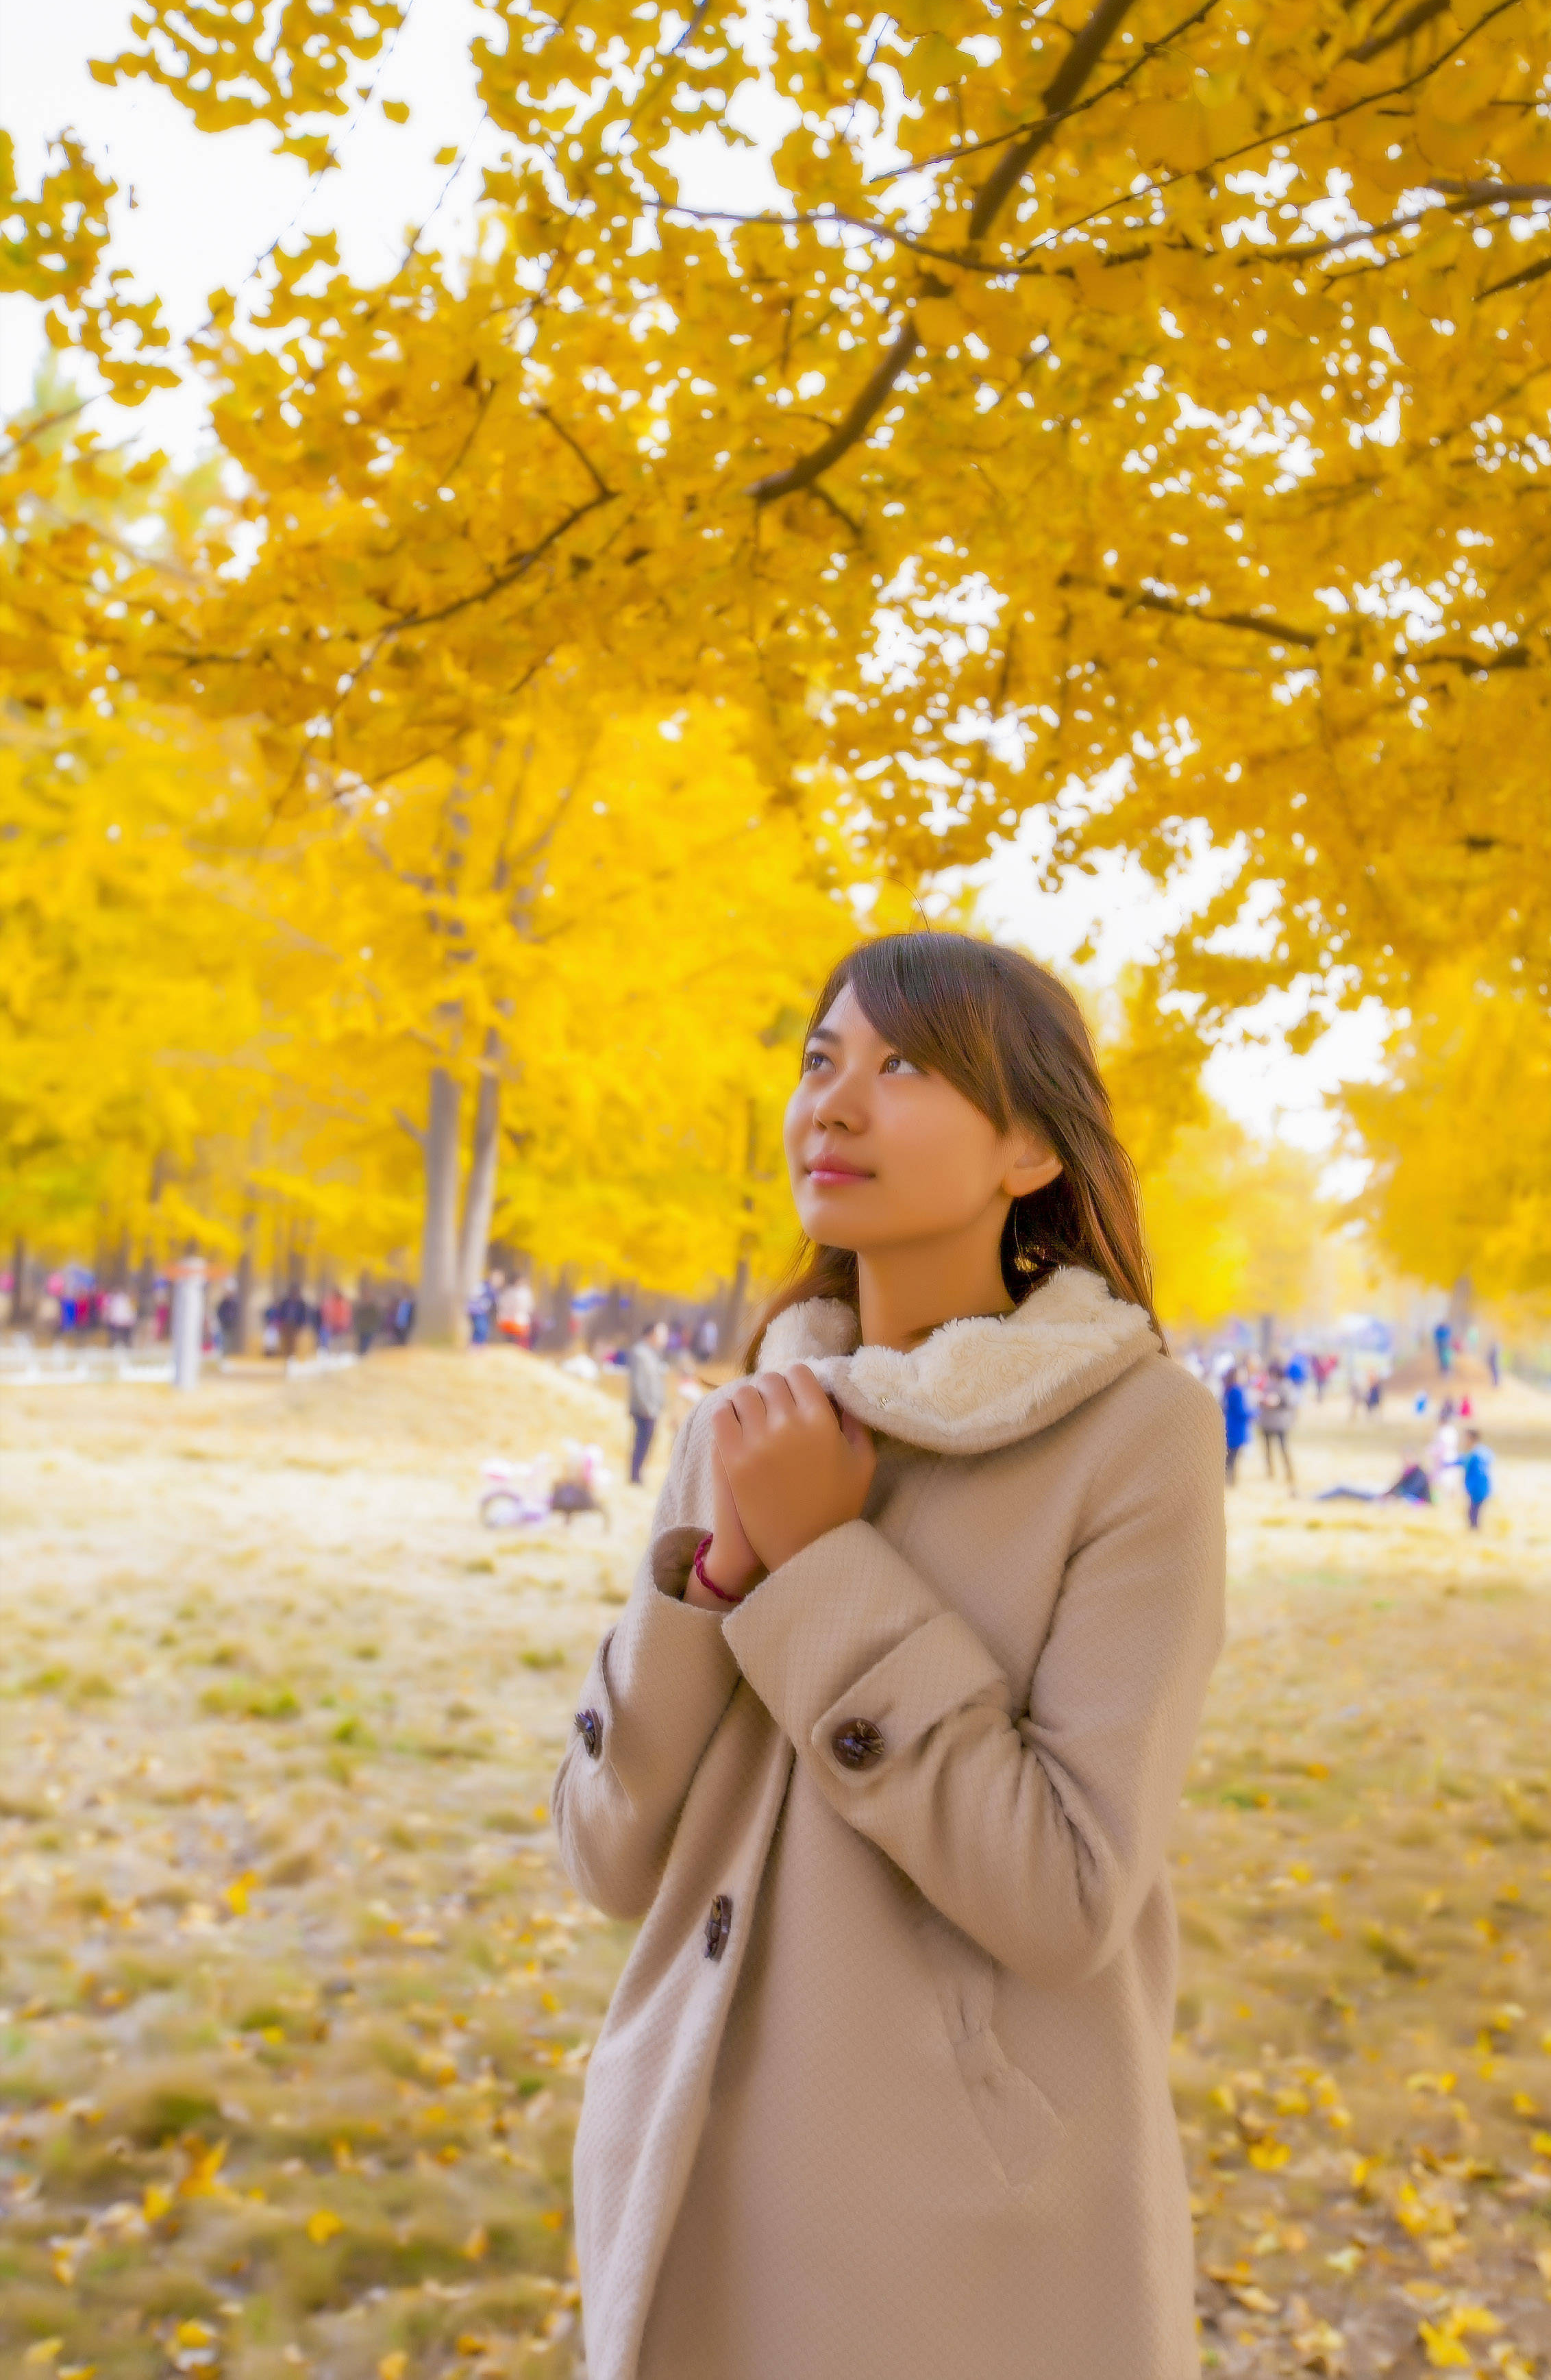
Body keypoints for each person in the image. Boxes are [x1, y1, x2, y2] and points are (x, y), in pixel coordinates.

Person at [553, 930, 1226, 2380]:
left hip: (963, 2251)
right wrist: (716, 1579)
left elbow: (1064, 1893)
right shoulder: (746, 1420)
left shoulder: (1135, 1431)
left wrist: (824, 1570)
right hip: (687, 2175)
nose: (836, 1103)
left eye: (905, 1065)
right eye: (820, 1059)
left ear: (1032, 1148)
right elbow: (608, 1860)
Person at [626, 1316, 670, 1482]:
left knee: (647, 1441)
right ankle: (635, 1475)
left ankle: (639, 1474)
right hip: (643, 1408)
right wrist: (646, 1406)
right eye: (660, 1335)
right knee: (641, 1441)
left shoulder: (652, 1354)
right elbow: (638, 1383)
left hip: (652, 1407)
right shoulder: (640, 1353)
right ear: (651, 1334)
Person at [1440, 1427, 1494, 1531]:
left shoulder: (1477, 1454)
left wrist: (1471, 1488)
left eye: (1466, 1438)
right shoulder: (1479, 1452)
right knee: (1472, 1513)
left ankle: (1475, 1532)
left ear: (1472, 1438)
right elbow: (1461, 1461)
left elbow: (1480, 1473)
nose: (1464, 1441)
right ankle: (1474, 1532)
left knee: (1473, 1513)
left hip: (1479, 1490)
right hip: (1479, 1489)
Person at [1258, 1367, 1298, 1489]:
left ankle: (1289, 1471)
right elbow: (1260, 1397)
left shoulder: (1286, 1386)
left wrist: (1277, 1402)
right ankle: (1270, 1471)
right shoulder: (1268, 1384)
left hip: (1281, 1422)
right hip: (1267, 1421)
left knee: (1283, 1448)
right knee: (1268, 1449)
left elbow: (1290, 1403)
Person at [1221, 1362, 1252, 1486]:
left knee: (1230, 1458)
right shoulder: (1237, 1391)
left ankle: (1230, 1482)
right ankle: (1230, 1483)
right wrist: (1255, 1412)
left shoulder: (1229, 1389)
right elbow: (1241, 1411)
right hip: (1237, 1428)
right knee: (1232, 1459)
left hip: (1231, 1426)